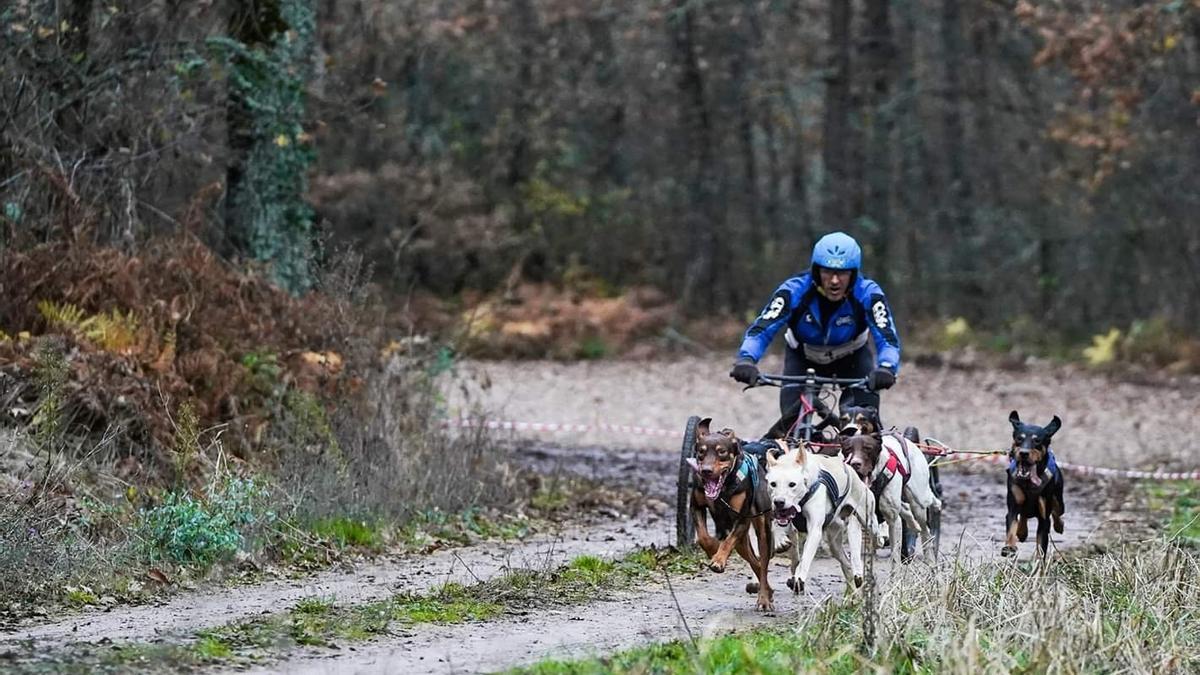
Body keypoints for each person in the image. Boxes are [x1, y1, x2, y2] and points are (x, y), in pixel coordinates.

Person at [729, 231, 901, 425]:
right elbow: (763, 328)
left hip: (853, 359)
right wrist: (746, 359)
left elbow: (886, 336)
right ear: (816, 271)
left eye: (842, 273)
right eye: (827, 272)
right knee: (791, 427)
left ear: (854, 274)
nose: (835, 281)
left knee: (863, 426)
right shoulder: (794, 289)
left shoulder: (868, 292)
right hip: (803, 358)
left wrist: (887, 367)